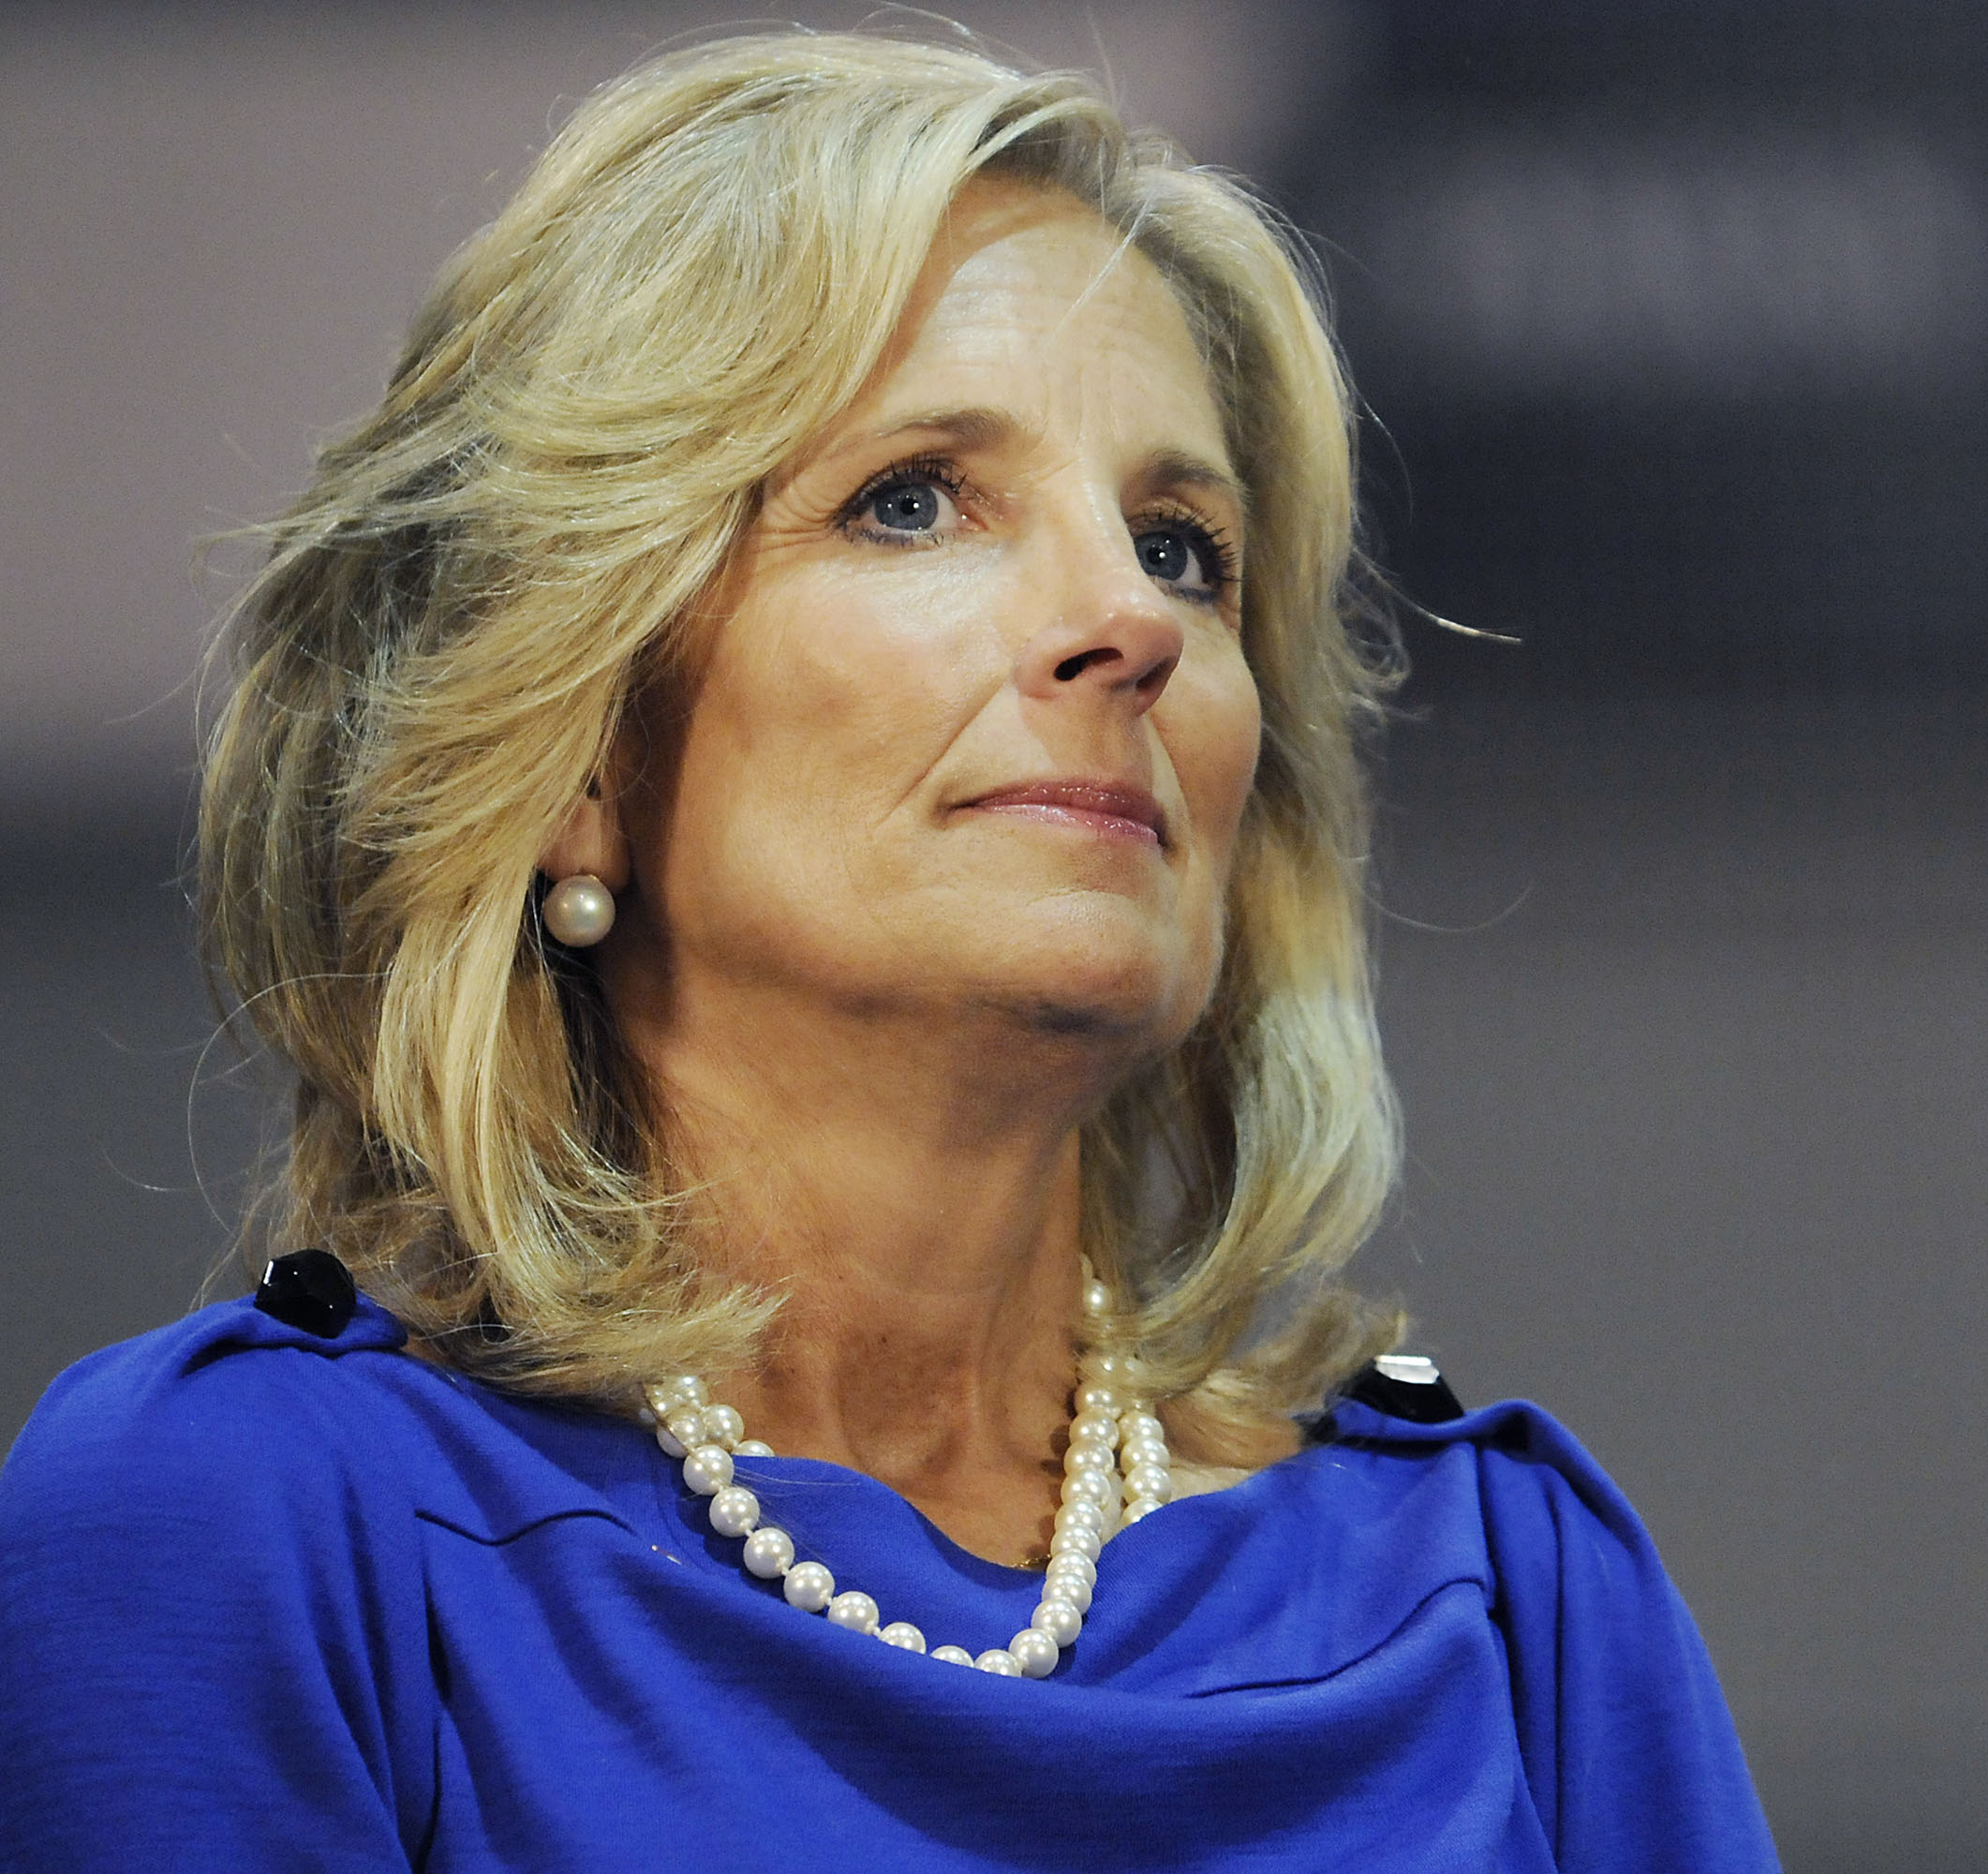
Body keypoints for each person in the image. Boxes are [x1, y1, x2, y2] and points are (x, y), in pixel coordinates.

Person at [0, 30, 1776, 1870]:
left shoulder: (1510, 1603)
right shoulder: (254, 1529)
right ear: (574, 756)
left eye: (1182, 547)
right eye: (913, 499)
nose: (1126, 623)